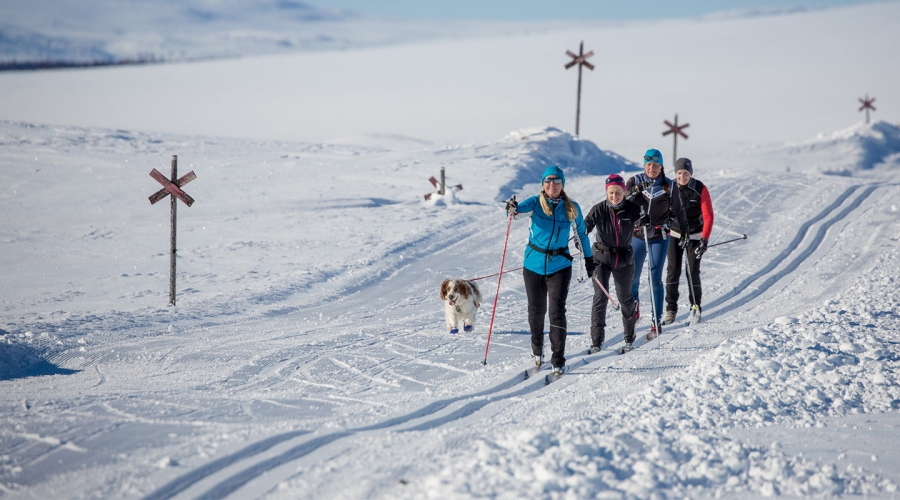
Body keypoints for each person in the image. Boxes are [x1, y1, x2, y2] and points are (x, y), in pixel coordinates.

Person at [505, 166, 593, 375]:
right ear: (543, 184)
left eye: (556, 181)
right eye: (547, 181)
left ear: (562, 184)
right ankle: (537, 348)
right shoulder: (535, 203)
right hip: (533, 265)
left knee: (556, 311)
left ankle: (558, 358)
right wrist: (511, 207)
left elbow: (582, 234)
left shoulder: (572, 208)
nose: (551, 184)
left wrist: (589, 258)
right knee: (536, 311)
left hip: (560, 266)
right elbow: (516, 211)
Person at [626, 149, 689, 340]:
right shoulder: (634, 181)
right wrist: (632, 194)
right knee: (632, 277)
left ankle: (656, 319)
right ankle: (634, 306)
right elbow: (622, 203)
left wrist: (684, 230)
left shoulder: (670, 185)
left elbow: (679, 210)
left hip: (659, 236)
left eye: (655, 165)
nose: (651, 168)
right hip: (637, 235)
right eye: (648, 165)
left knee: (655, 276)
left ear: (661, 166)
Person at [583, 174, 645, 353]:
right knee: (600, 297)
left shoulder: (632, 208)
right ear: (607, 192)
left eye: (618, 192)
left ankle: (629, 335)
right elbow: (586, 225)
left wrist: (644, 222)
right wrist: (580, 235)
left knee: (625, 297)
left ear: (624, 192)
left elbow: (641, 221)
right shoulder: (599, 209)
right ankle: (596, 340)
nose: (614, 196)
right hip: (601, 257)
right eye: (611, 192)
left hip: (624, 258)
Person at [664, 158, 714, 324]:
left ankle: (695, 307)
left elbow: (708, 216)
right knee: (673, 269)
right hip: (676, 234)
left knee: (692, 271)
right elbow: (661, 210)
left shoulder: (699, 188)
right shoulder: (669, 187)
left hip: (695, 235)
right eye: (679, 173)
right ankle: (671, 308)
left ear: (690, 173)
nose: (682, 176)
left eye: (685, 173)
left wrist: (704, 240)